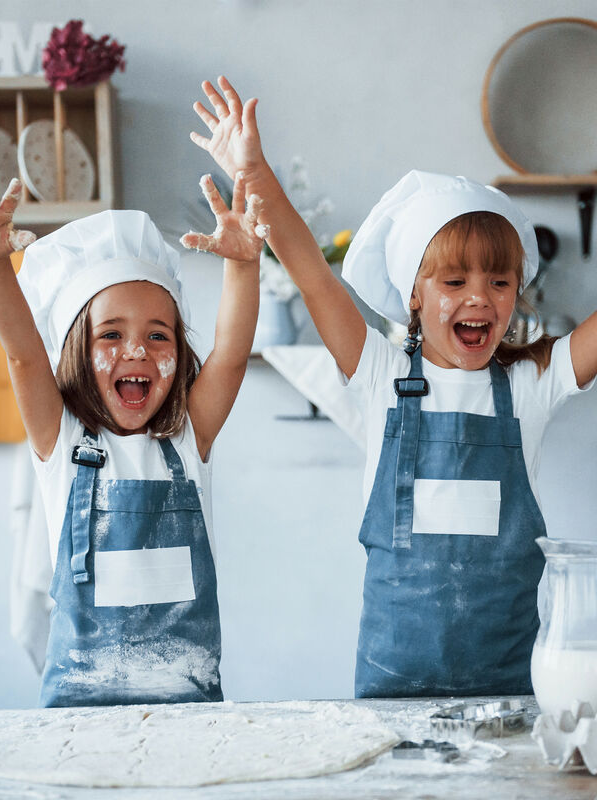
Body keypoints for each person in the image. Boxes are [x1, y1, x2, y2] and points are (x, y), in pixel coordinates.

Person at [189, 76, 597, 698]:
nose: (479, 299)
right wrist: (259, 174)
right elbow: (311, 273)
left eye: (499, 283)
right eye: (454, 281)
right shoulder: (380, 375)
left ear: (517, 294)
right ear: (413, 292)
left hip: (509, 690)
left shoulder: (532, 382)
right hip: (392, 687)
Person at [0, 172, 268, 706]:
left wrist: (243, 265)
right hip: (79, 715)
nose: (137, 351)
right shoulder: (63, 440)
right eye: (111, 334)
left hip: (189, 716)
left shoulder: (189, 440)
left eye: (157, 334)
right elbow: (23, 353)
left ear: (177, 355)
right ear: (78, 349)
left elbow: (233, 355)